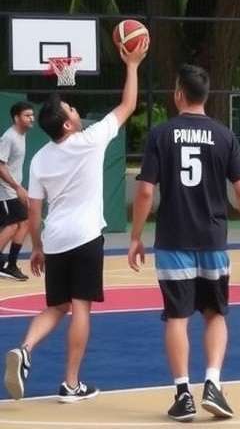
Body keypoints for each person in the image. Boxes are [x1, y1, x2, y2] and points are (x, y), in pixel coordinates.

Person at [3, 38, 149, 403]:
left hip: (54, 239)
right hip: (85, 237)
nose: (74, 109)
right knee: (79, 307)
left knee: (55, 306)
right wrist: (131, 64)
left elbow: (34, 211)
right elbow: (129, 104)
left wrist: (36, 248)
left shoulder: (40, 161)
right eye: (70, 107)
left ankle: (25, 348)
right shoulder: (90, 140)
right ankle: (71, 383)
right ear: (67, 125)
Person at [128, 64, 240, 422]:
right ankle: (214, 385)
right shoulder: (224, 135)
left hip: (174, 240)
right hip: (213, 240)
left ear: (178, 95)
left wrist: (135, 237)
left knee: (177, 317)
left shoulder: (161, 134)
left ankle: (183, 395)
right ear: (206, 96)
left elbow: (144, 191)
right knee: (215, 313)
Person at [0, 102, 35, 281]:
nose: (32, 118)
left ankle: (11, 264)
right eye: (27, 115)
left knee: (24, 223)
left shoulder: (21, 135)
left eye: (32, 115)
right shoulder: (9, 137)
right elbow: (0, 166)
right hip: (5, 191)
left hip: (13, 189)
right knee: (14, 224)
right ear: (16, 118)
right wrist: (17, 187)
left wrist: (20, 187)